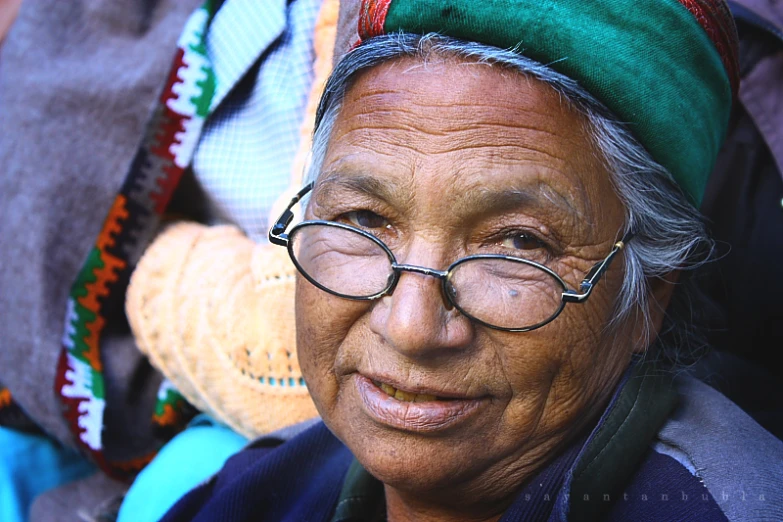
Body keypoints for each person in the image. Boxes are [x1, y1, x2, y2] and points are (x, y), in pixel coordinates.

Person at [160, 0, 783, 521]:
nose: (409, 327)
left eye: (517, 243)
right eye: (364, 220)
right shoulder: (263, 489)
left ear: (650, 293)